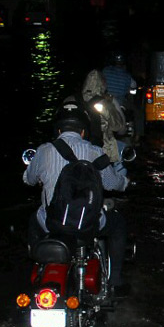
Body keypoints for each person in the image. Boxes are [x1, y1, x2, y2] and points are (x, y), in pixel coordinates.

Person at [24, 111, 130, 294]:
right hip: (88, 223)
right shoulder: (95, 151)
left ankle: (39, 269)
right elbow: (114, 184)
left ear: (58, 131)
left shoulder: (44, 151)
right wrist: (125, 180)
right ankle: (116, 281)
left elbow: (29, 179)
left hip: (52, 223)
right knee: (118, 224)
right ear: (83, 132)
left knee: (34, 220)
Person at [102, 51, 143, 143]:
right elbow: (133, 85)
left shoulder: (105, 71)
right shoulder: (127, 75)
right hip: (120, 101)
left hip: (105, 100)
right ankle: (138, 135)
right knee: (138, 112)